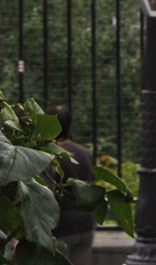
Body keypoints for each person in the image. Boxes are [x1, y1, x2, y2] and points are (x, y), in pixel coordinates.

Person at [46, 105, 97, 265]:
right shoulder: (84, 153)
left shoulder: (48, 156)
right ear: (70, 127)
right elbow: (92, 187)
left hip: (61, 226)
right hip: (85, 224)